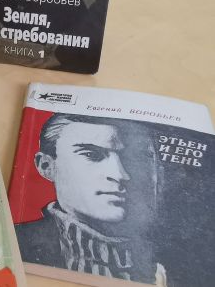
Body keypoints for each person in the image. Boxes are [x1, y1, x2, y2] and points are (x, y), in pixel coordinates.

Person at [14, 114, 163, 283]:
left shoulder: (169, 256)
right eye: (92, 155)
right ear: (46, 166)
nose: (121, 175)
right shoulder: (15, 241)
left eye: (133, 158)